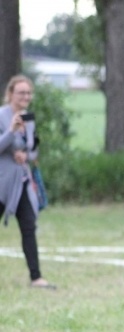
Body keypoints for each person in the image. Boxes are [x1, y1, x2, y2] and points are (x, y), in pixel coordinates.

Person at [0, 74, 54, 289]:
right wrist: (11, 131)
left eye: (29, 93)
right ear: (11, 94)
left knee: (29, 227)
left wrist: (26, 155)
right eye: (21, 92)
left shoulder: (29, 118)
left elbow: (33, 151)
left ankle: (36, 277)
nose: (26, 96)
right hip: (2, 183)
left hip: (21, 182)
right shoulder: (2, 116)